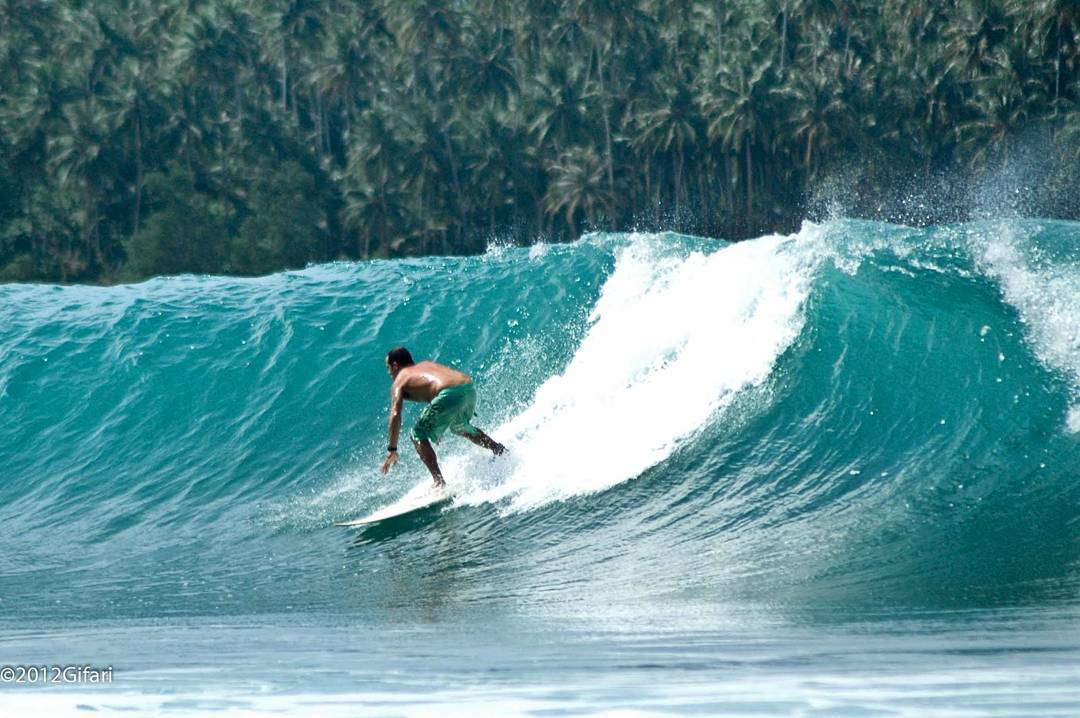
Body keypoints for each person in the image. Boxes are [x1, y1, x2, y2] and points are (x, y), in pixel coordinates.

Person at [381, 347, 505, 486]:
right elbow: (436, 390)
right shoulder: (426, 365)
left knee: (417, 433)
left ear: (395, 365)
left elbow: (396, 414)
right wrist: (438, 425)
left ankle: (439, 482)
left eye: (388, 368)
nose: (389, 373)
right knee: (459, 427)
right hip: (468, 388)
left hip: (448, 394)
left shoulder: (400, 379)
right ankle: (499, 450)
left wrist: (392, 449)